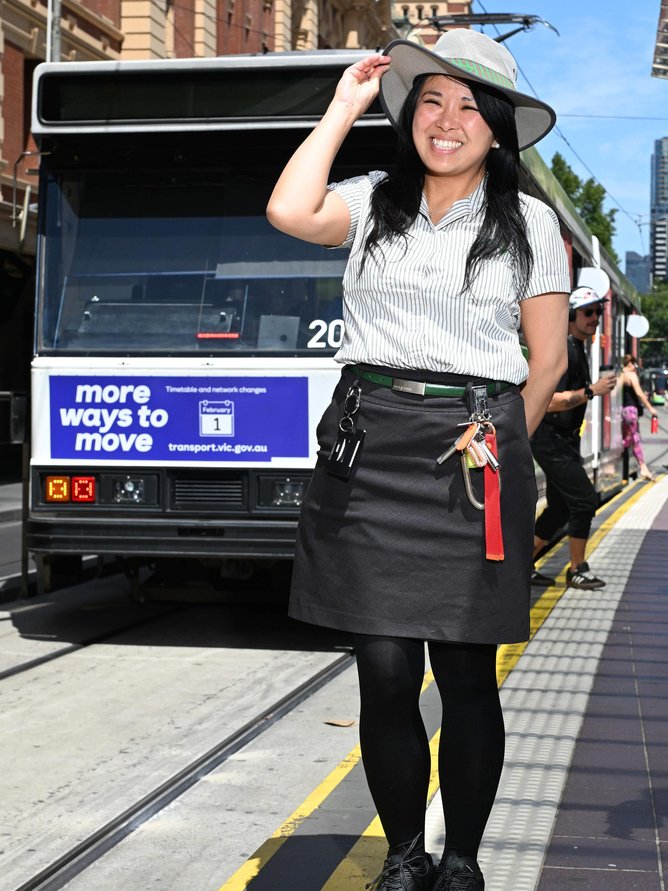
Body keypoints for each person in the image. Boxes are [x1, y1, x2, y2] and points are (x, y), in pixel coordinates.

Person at [267, 28, 569, 891]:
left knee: (466, 670)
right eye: (431, 100)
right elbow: (289, 211)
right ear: (409, 116)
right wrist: (343, 106)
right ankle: (404, 856)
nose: (447, 120)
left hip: (474, 454)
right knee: (386, 669)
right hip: (369, 448)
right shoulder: (372, 200)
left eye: (470, 106)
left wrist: (497, 445)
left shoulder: (532, 224)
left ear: (498, 128)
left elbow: (547, 360)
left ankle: (462, 860)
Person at [531, 287, 617, 591]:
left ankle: (522, 564)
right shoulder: (565, 351)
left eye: (598, 312)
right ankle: (578, 569)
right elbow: (548, 400)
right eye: (588, 312)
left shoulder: (577, 347)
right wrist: (591, 391)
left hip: (563, 440)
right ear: (570, 315)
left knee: (560, 508)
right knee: (584, 500)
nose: (595, 318)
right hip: (549, 439)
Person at [621, 353, 658, 481]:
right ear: (630, 364)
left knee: (628, 439)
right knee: (634, 439)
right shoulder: (631, 375)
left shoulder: (620, 375)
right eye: (634, 364)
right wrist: (650, 408)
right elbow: (639, 393)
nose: (635, 367)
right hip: (631, 410)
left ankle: (641, 467)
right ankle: (643, 467)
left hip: (623, 411)